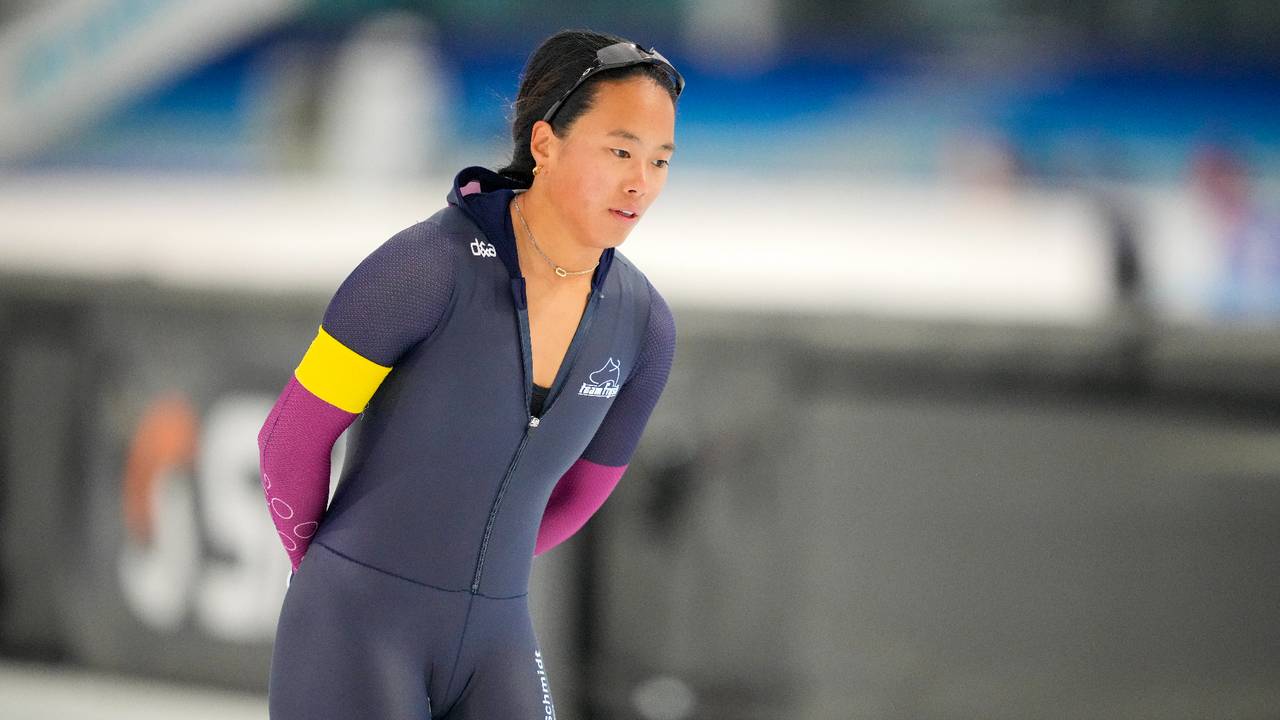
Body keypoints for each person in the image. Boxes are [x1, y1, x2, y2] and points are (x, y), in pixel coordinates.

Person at [256, 28, 683, 719]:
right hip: (355, 626)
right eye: (620, 151)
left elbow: (580, 494)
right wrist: (335, 586)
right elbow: (289, 439)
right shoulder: (422, 269)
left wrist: (471, 572)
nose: (642, 182)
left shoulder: (643, 326)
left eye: (661, 160)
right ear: (545, 144)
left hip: (497, 641)